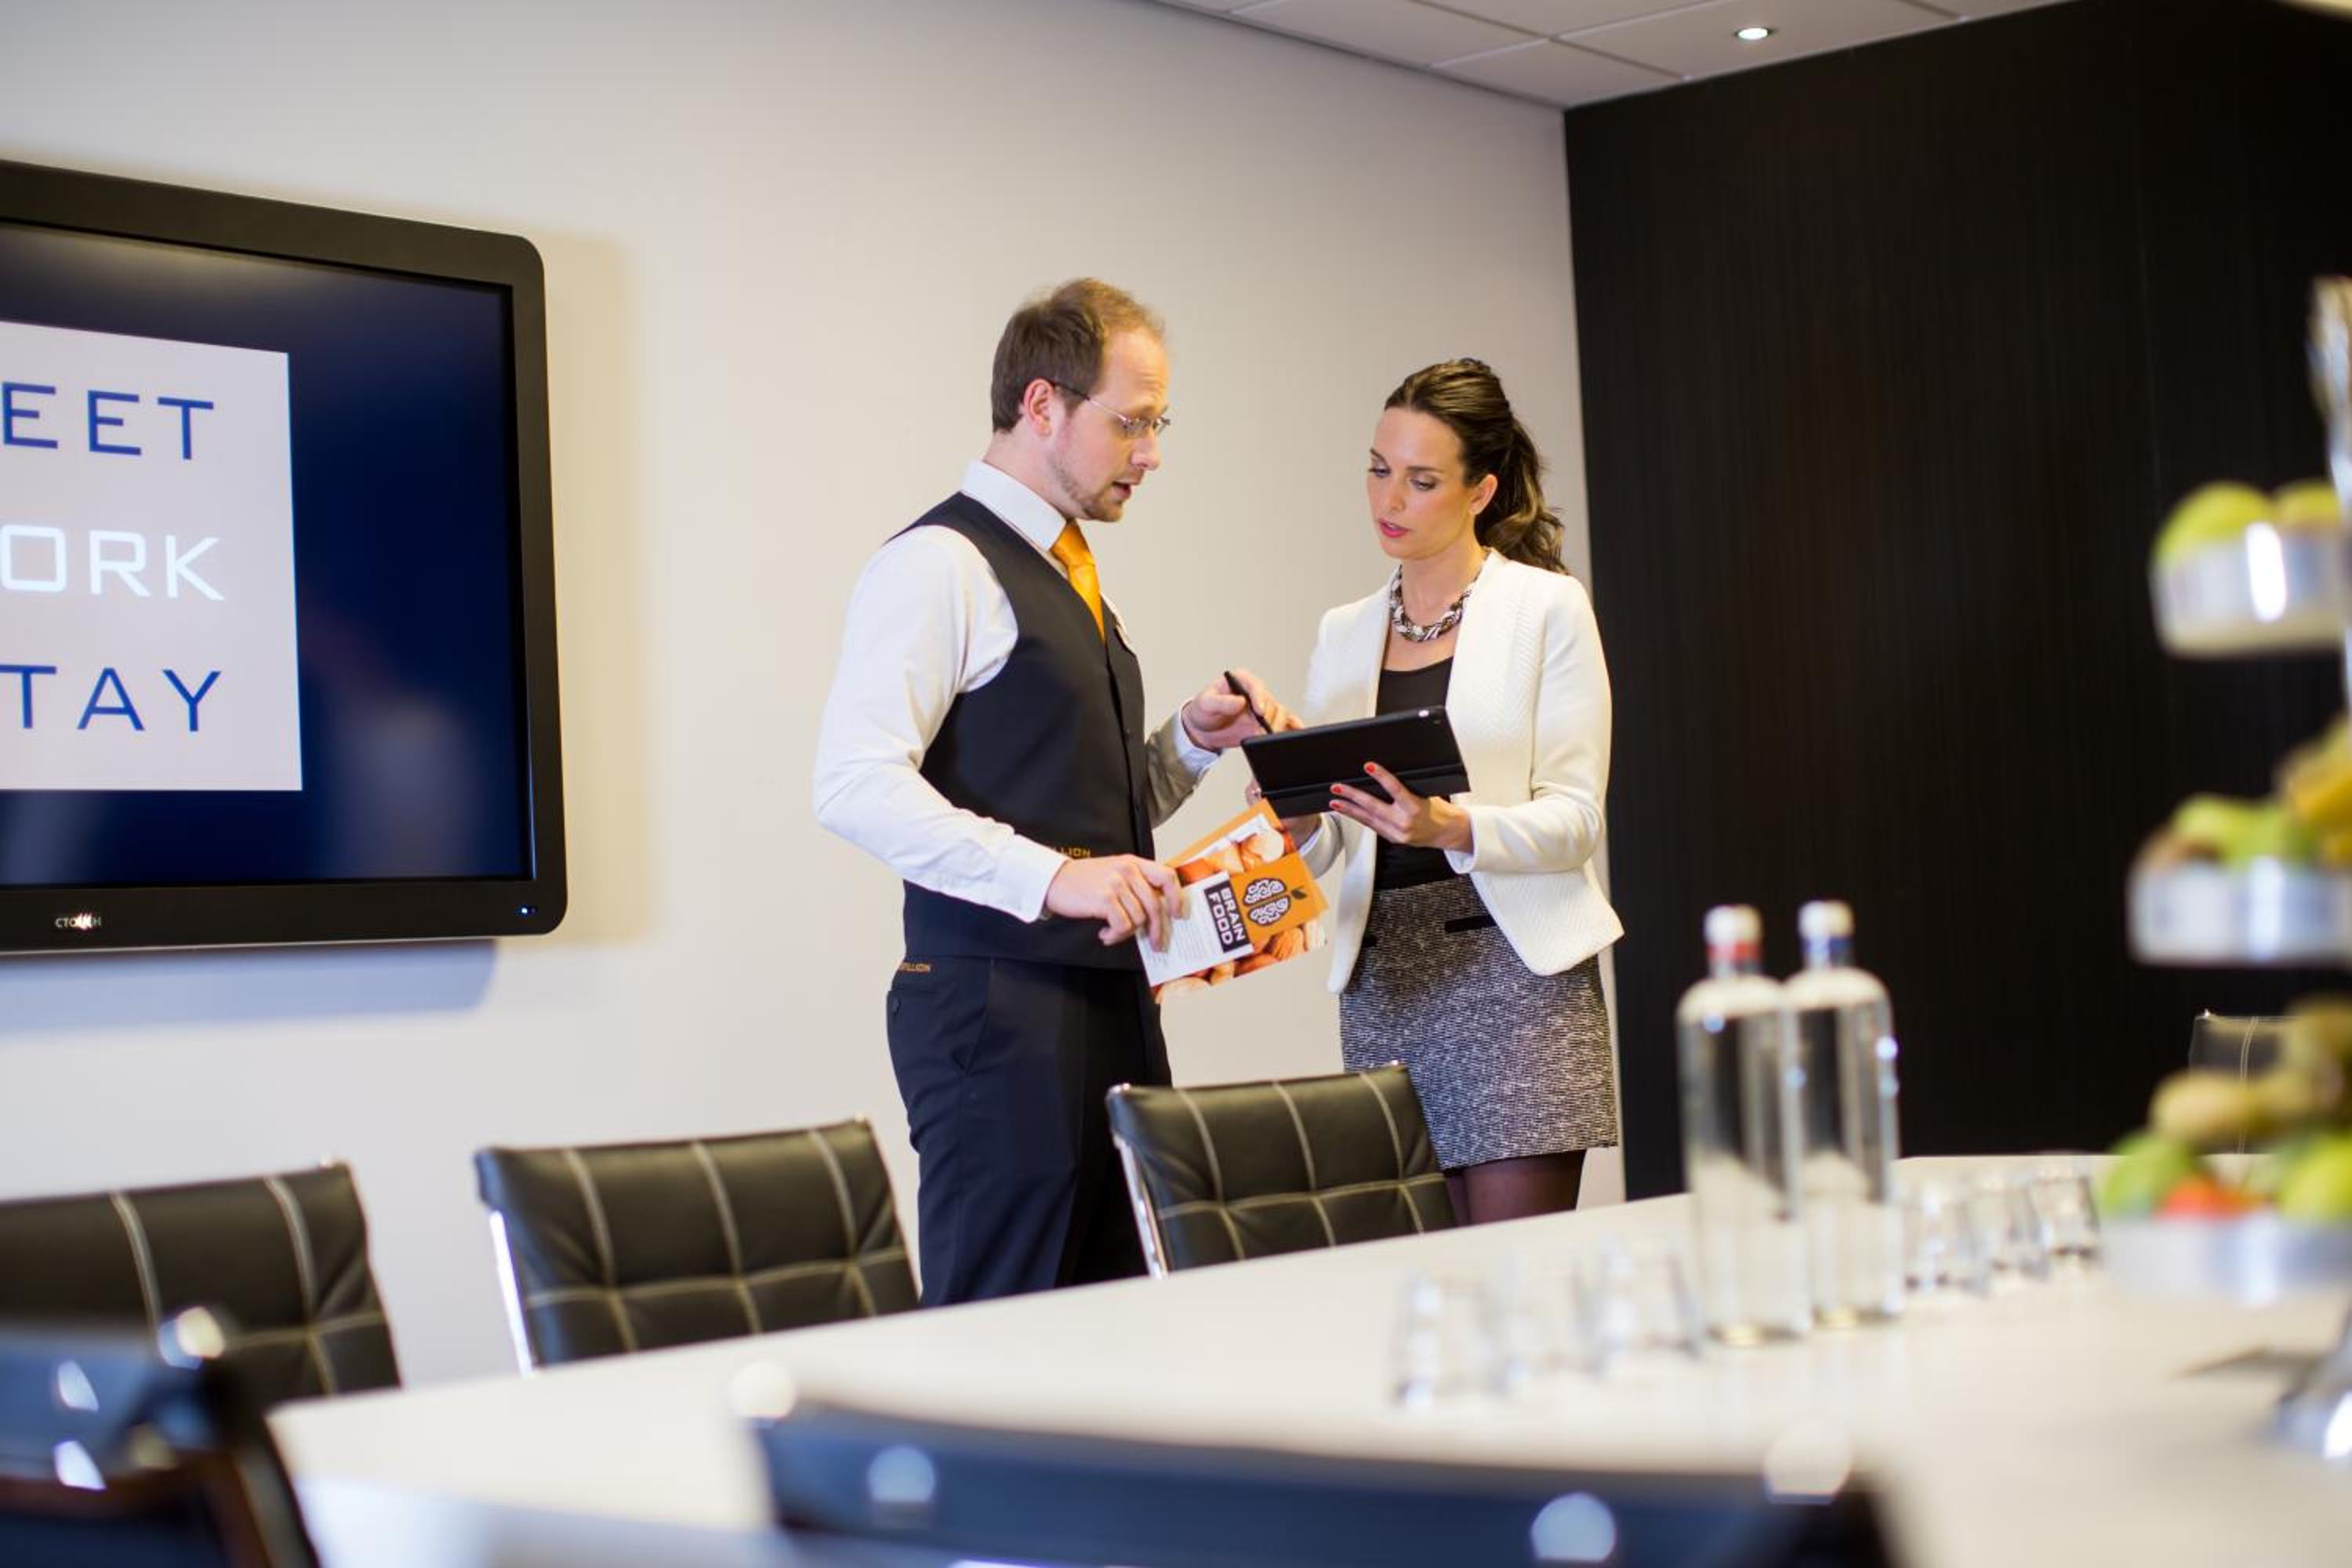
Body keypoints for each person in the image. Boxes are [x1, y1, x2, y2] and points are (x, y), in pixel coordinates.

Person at [814, 279, 1290, 1305]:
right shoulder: (937, 565)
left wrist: (1189, 744)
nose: (1152, 453)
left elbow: (1077, 808)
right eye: (1133, 422)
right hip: (998, 1016)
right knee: (997, 1336)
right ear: (1042, 405)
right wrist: (1053, 880)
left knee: (1122, 1328)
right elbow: (852, 783)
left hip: (1111, 1005)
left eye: (1159, 425)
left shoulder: (1068, 571)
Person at [1287, 358, 1621, 1225]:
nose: (1389, 498)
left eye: (1422, 479)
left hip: (1515, 975)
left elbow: (1576, 820)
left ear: (1482, 490)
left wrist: (1450, 827)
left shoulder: (1547, 608)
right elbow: (1333, 840)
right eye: (1378, 469)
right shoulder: (1343, 632)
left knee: (1516, 1280)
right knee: (1419, 1278)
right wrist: (1293, 813)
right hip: (1385, 982)